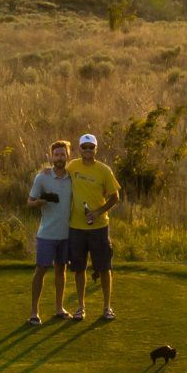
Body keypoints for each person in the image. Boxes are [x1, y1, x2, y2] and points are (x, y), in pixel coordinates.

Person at [63, 131, 124, 321]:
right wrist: (46, 171)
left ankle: (107, 307)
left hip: (99, 227)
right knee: (79, 268)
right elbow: (58, 174)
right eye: (84, 147)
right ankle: (81, 307)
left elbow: (115, 197)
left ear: (96, 149)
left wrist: (98, 212)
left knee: (104, 268)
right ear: (79, 149)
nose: (88, 150)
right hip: (77, 227)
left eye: (91, 147)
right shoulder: (72, 166)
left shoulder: (104, 170)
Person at [25, 139, 76, 325]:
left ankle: (59, 308)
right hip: (46, 234)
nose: (60, 157)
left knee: (61, 270)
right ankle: (34, 312)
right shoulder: (42, 177)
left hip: (66, 234)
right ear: (51, 156)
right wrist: (39, 202)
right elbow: (29, 202)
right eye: (56, 154)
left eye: (63, 154)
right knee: (40, 270)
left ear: (68, 156)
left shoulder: (73, 176)